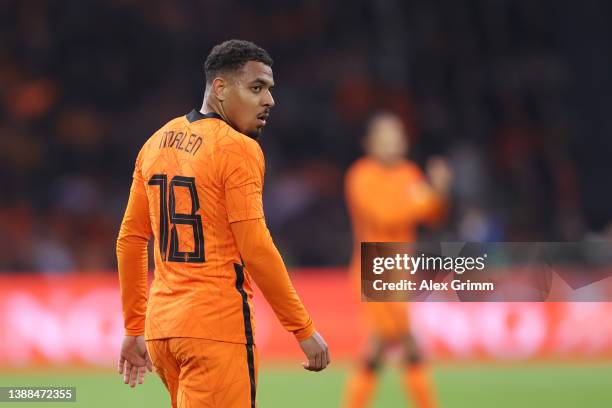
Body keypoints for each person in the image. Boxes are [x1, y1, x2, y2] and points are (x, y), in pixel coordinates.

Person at [116, 39, 330, 408]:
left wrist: (135, 325)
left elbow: (131, 239)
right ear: (220, 88)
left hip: (163, 330)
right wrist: (302, 328)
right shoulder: (237, 148)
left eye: (270, 90)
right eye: (256, 87)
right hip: (216, 326)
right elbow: (256, 248)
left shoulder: (155, 143)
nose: (269, 101)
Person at [342, 112, 451, 408]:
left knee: (378, 348)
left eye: (398, 135)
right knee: (407, 344)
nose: (394, 141)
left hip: (400, 270)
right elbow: (385, 215)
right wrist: (423, 199)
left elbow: (432, 214)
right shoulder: (361, 176)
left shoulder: (409, 173)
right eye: (386, 135)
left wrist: (438, 193)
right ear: (370, 142)